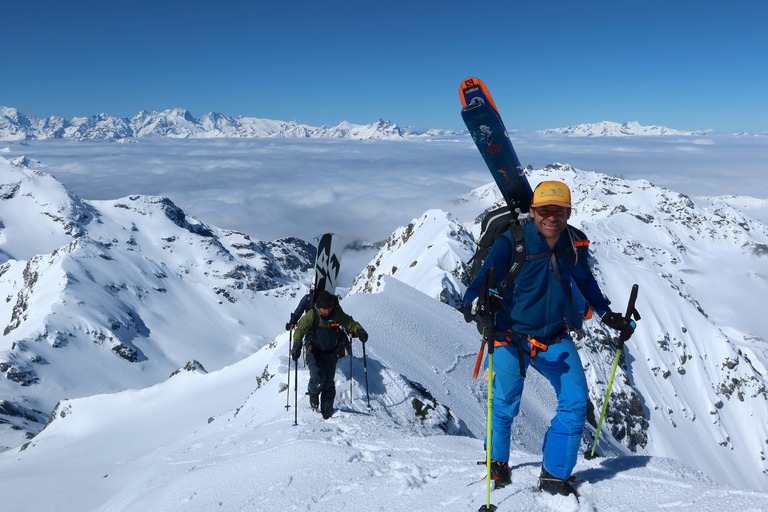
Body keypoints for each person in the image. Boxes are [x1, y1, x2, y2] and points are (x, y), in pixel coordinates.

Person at [462, 180, 634, 496]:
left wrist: (606, 313)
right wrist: (473, 304)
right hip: (509, 337)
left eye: (559, 210)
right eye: (544, 210)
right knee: (504, 404)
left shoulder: (571, 245)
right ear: (533, 211)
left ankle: (555, 475)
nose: (551, 217)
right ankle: (496, 461)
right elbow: (479, 282)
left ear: (568, 213)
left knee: (575, 401)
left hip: (554, 337)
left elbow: (585, 282)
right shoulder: (511, 243)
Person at [291, 290, 368, 419]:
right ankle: (313, 393)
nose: (327, 311)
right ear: (318, 307)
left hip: (331, 352)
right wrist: (297, 346)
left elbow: (349, 322)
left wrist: (359, 330)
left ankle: (327, 408)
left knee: (328, 382)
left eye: (329, 308)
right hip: (313, 351)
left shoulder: (336, 314)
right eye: (324, 308)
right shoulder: (312, 315)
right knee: (317, 376)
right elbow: (300, 330)